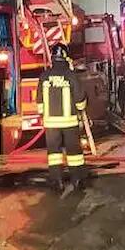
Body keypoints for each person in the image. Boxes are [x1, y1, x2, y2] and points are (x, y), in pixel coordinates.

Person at [38, 43, 88, 197]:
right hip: (69, 122)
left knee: (54, 154)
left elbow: (39, 101)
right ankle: (77, 180)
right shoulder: (71, 75)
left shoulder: (44, 76)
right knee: (74, 153)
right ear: (66, 57)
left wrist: (43, 115)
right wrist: (81, 110)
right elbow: (80, 99)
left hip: (51, 123)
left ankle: (57, 182)